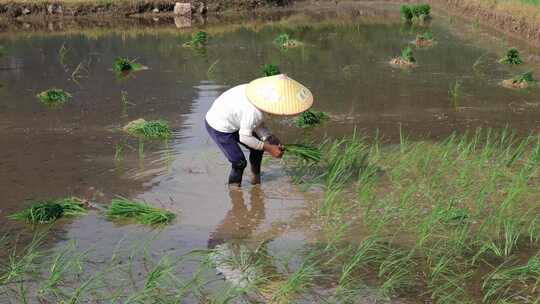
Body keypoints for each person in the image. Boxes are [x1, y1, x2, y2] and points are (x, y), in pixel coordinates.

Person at [205, 74, 313, 187]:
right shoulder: (252, 110)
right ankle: (235, 192)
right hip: (219, 126)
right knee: (239, 162)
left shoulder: (262, 96)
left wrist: (269, 137)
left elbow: (257, 123)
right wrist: (270, 148)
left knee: (257, 149)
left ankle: (256, 181)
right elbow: (245, 137)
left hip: (236, 120)